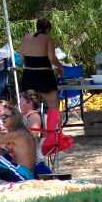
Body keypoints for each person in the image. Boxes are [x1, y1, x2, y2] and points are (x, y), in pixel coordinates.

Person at [19, 18, 65, 155]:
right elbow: (51, 57)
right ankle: (53, 136)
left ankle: (25, 133)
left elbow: (21, 56)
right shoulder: (48, 39)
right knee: (53, 105)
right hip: (43, 74)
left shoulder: (26, 37)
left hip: (28, 75)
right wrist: (60, 67)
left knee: (28, 105)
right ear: (48, 29)